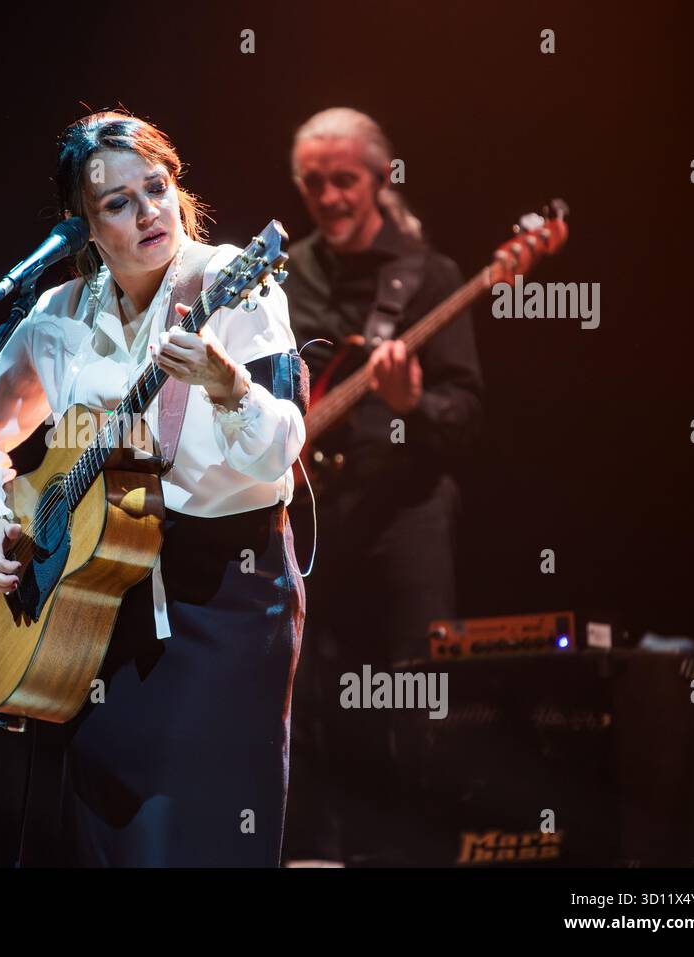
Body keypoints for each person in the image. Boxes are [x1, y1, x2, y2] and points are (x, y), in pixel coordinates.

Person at [0, 110, 308, 866]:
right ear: (83, 227)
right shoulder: (56, 316)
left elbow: (278, 458)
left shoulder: (228, 282)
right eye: (117, 202)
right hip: (92, 620)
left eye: (158, 187)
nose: (149, 212)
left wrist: (228, 384)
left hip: (221, 611)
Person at [280, 108, 484, 864]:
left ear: (379, 178)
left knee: (415, 696)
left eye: (345, 180)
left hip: (406, 514)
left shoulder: (430, 276)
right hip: (312, 517)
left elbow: (465, 421)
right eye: (314, 182)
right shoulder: (282, 276)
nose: (329, 196)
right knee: (306, 698)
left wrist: (412, 405)